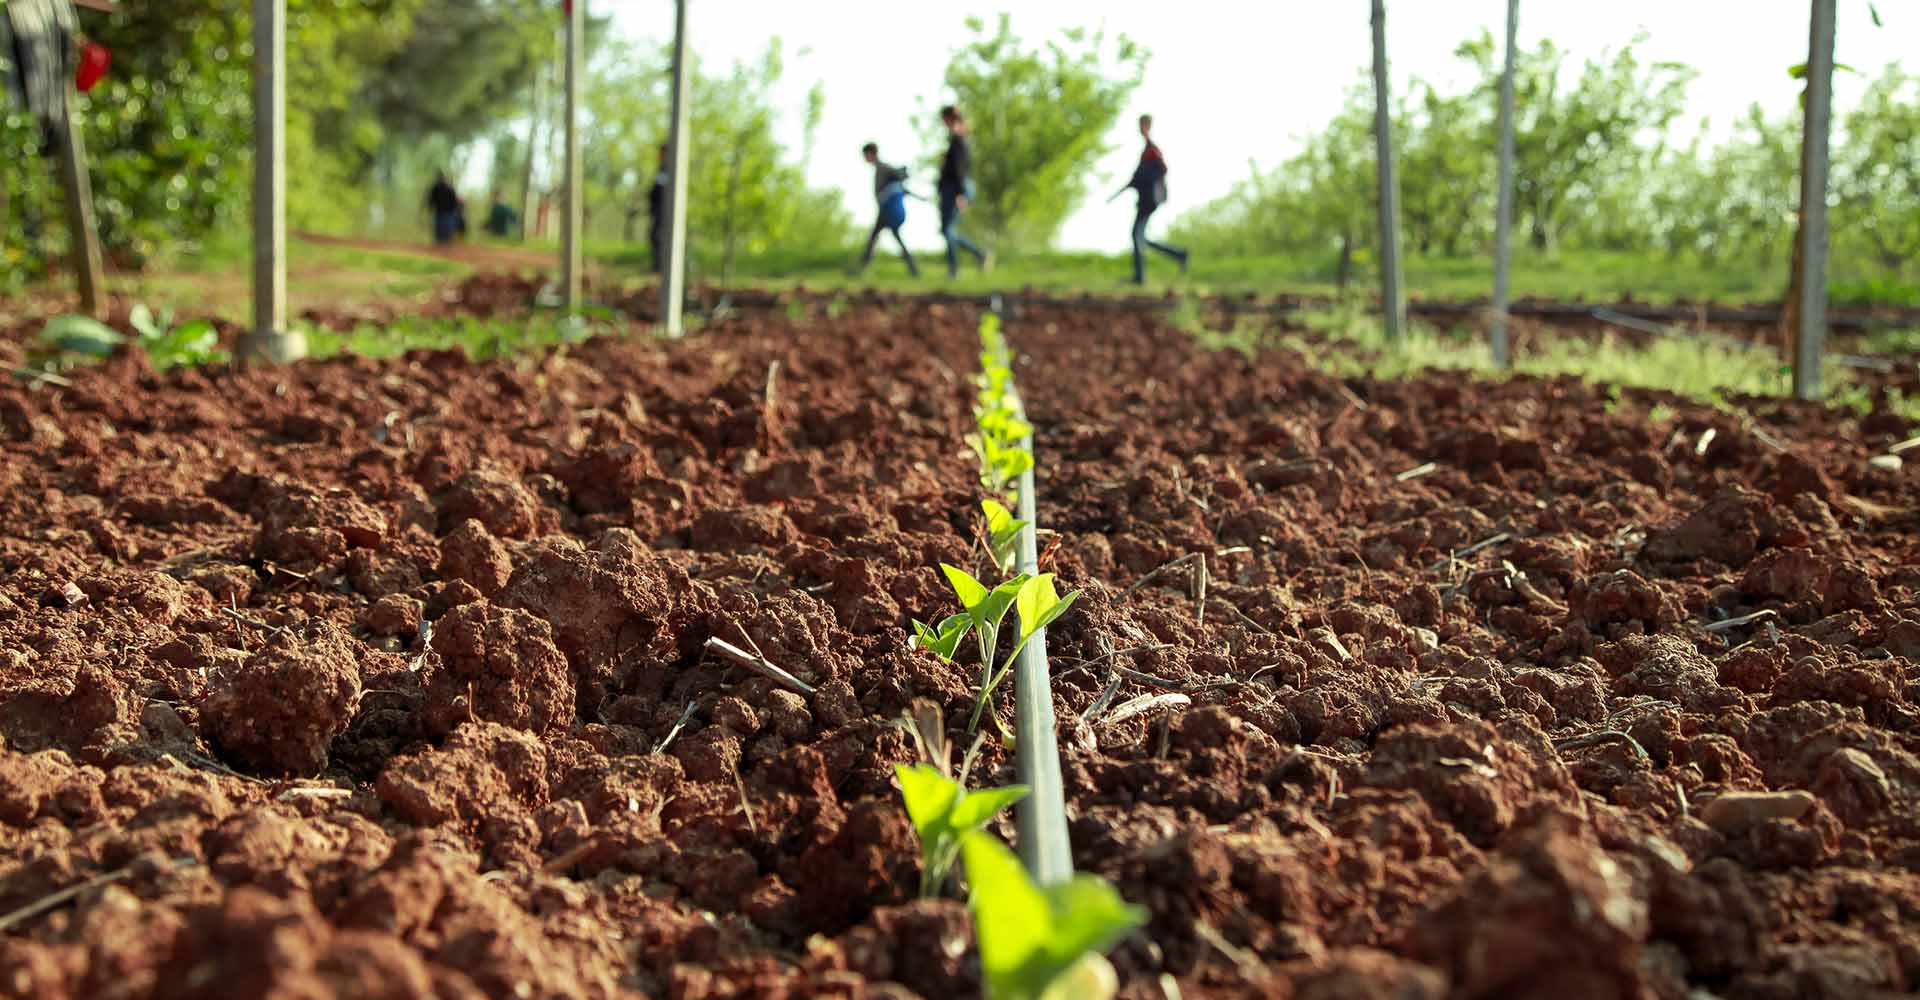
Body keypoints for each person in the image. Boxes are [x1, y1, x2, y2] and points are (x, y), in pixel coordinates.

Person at [1109, 114, 1189, 284]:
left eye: (1142, 125)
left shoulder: (1152, 150)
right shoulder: (1147, 150)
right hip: (1147, 199)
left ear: (1147, 126)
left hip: (1149, 200)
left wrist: (1148, 183)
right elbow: (1137, 178)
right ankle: (1178, 254)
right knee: (1139, 236)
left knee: (1137, 234)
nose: (1140, 129)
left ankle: (1140, 277)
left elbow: (1161, 170)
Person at [936, 105, 990, 278]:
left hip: (955, 189)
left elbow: (960, 169)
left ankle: (955, 269)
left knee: (948, 230)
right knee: (947, 230)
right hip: (953, 188)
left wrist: (960, 194)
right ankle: (979, 255)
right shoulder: (959, 139)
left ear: (949, 119)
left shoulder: (958, 140)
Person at [855, 142, 920, 277]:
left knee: (874, 237)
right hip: (885, 210)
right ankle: (913, 268)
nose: (865, 159)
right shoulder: (880, 168)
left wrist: (904, 172)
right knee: (888, 237)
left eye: (865, 155)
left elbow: (899, 179)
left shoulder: (884, 168)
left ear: (871, 154)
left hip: (887, 210)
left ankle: (863, 268)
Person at [647, 144, 669, 274]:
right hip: (657, 210)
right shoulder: (661, 169)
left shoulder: (668, 169)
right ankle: (658, 265)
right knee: (655, 237)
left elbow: (661, 190)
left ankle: (660, 266)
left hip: (663, 211)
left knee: (657, 237)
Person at [425, 171, 461, 246]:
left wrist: (430, 207)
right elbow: (431, 199)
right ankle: (442, 246)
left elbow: (431, 200)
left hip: (445, 213)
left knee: (443, 231)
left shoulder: (441, 188)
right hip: (444, 213)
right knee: (443, 231)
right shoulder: (442, 188)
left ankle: (444, 245)